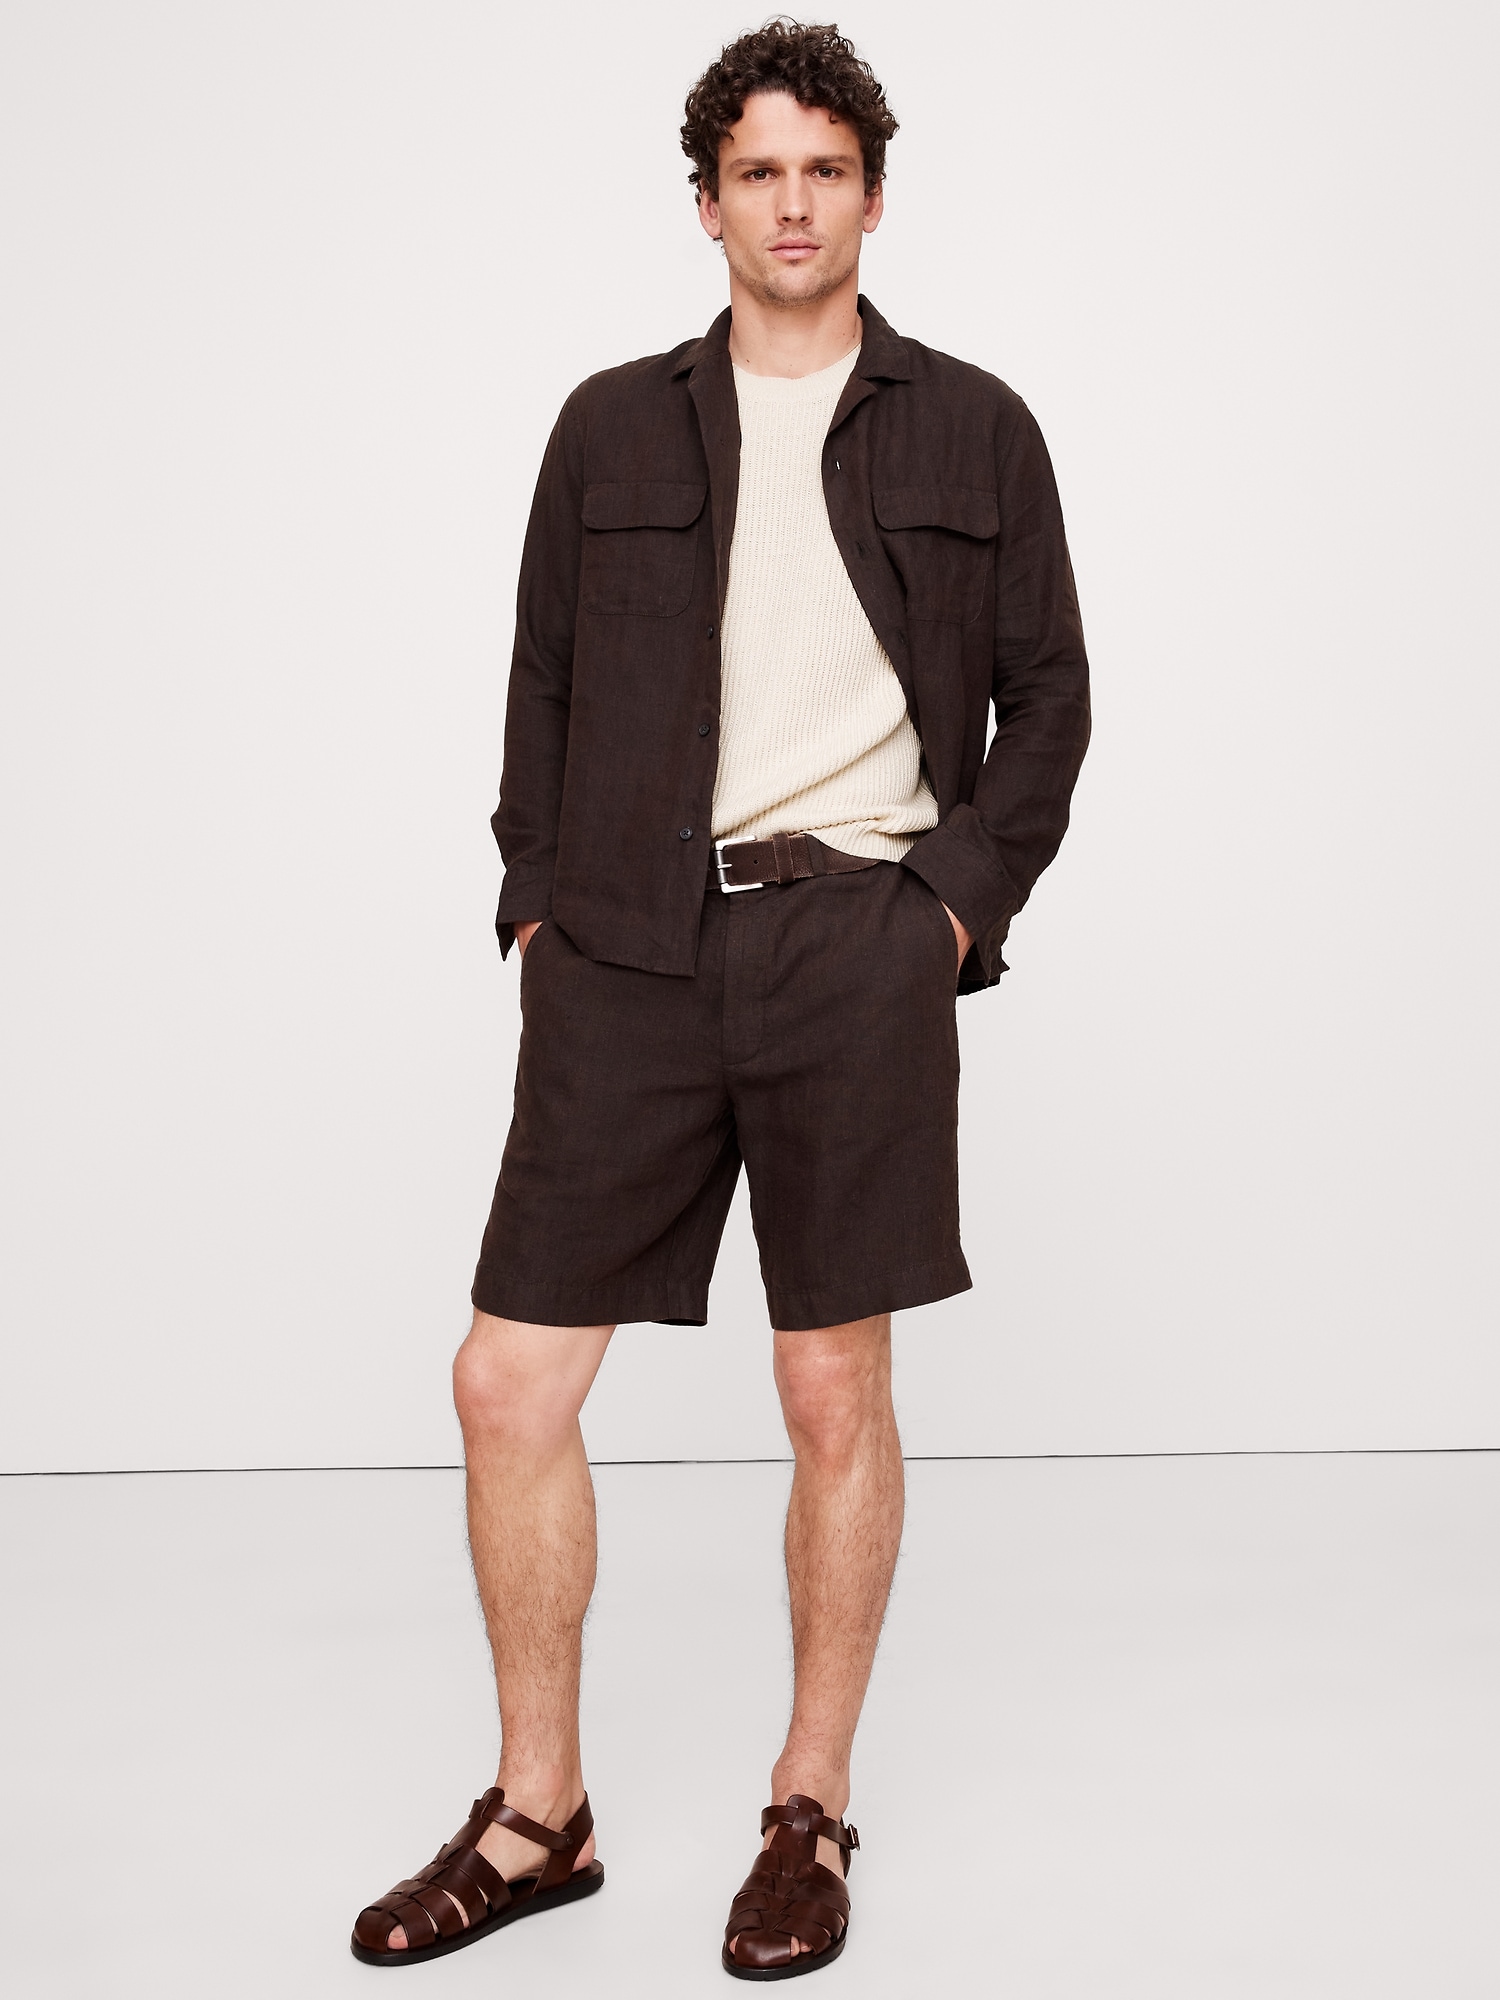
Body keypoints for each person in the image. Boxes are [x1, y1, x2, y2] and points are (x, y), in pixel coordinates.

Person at [350, 18, 1089, 1980]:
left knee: (831, 1384)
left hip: (857, 943)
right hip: (628, 953)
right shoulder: (609, 427)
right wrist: (538, 909)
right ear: (706, 203)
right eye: (758, 171)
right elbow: (542, 684)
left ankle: (809, 1804)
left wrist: (945, 917)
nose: (792, 203)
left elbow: (1049, 703)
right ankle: (541, 1816)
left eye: (825, 169)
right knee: (506, 1378)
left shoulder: (977, 427)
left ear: (873, 196)